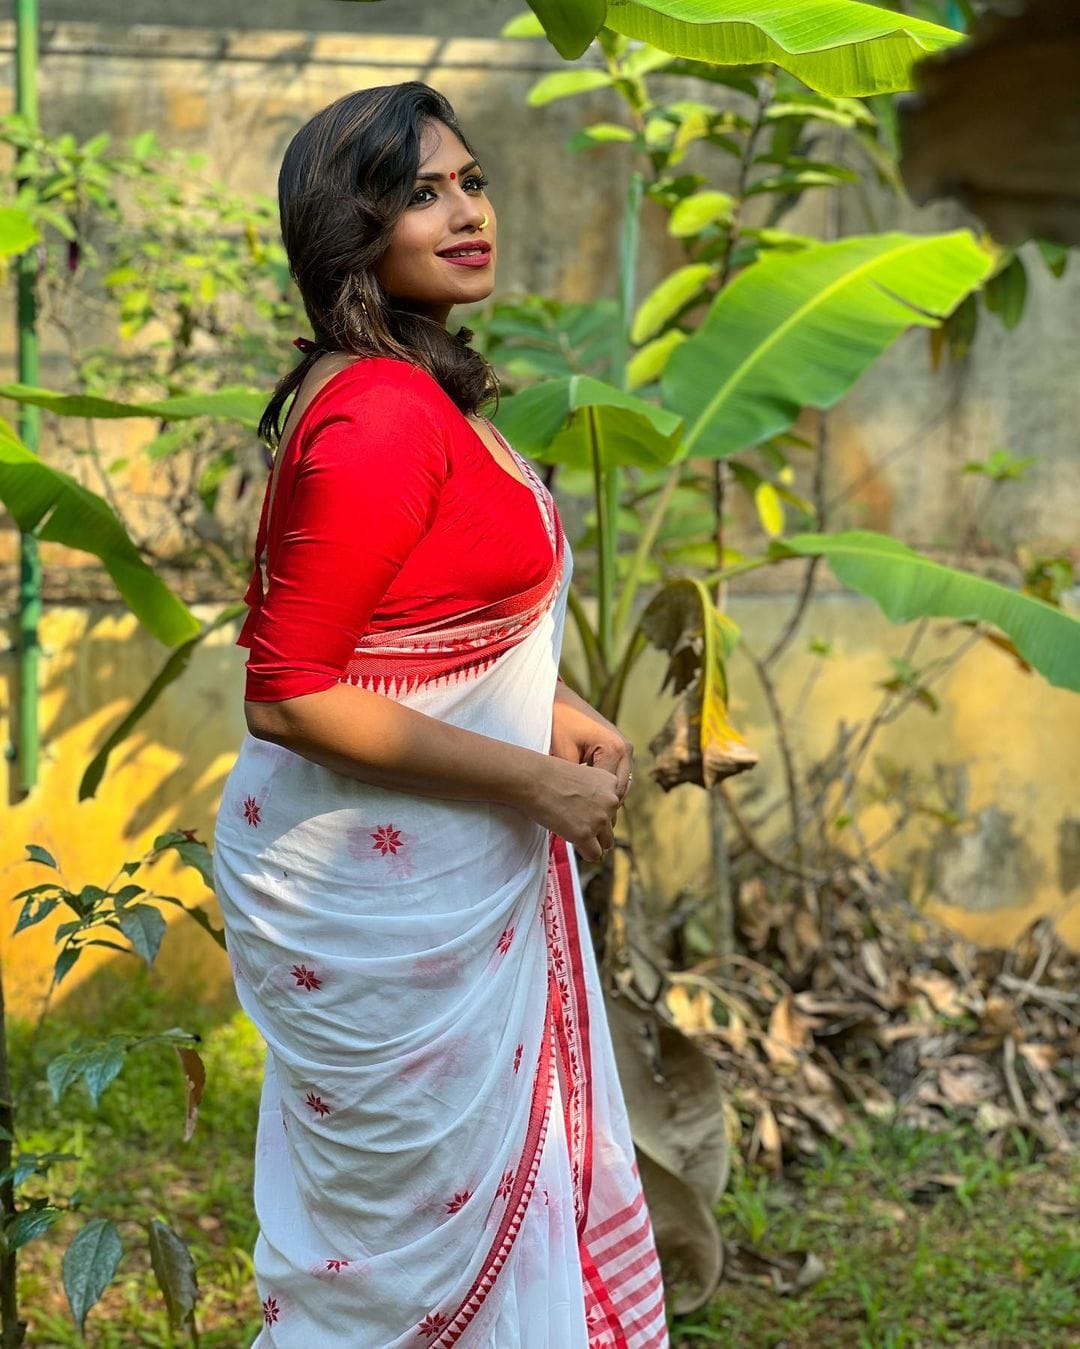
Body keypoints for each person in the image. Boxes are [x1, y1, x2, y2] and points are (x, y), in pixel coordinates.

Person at [213, 81, 668, 1348]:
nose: (467, 212)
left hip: (430, 858)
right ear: (351, 230)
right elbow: (292, 690)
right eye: (419, 194)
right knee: (395, 1265)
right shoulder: (376, 415)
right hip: (370, 886)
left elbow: (422, 620)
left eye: (469, 181)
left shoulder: (423, 389)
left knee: (475, 1224)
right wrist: (532, 782)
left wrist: (554, 701)